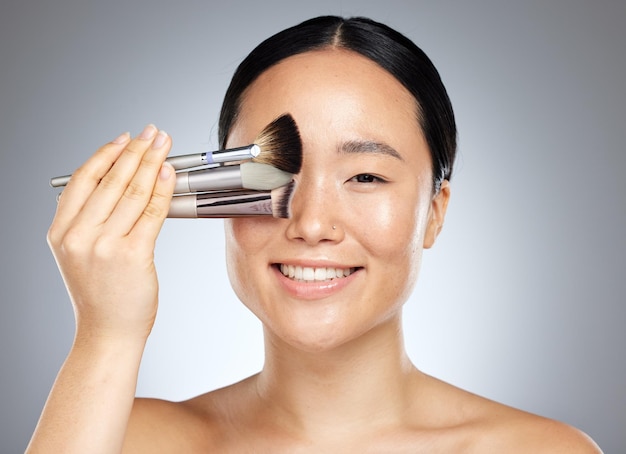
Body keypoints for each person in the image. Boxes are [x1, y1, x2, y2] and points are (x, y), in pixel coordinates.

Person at [27, 16, 602, 453]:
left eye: (366, 176)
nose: (311, 224)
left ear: (434, 212)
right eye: (273, 175)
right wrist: (106, 334)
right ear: (218, 192)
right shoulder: (126, 438)